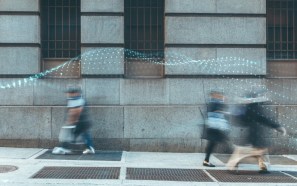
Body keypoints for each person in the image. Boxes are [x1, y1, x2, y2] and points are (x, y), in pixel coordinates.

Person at [226, 90, 286, 173]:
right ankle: (232, 165)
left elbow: (246, 120)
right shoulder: (254, 107)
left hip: (254, 133)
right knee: (252, 151)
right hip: (254, 134)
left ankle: (263, 167)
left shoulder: (251, 107)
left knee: (260, 151)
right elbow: (263, 119)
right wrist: (277, 126)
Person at [53, 85, 95, 155]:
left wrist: (70, 122)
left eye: (70, 92)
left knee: (68, 135)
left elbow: (75, 112)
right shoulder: (77, 99)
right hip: (83, 123)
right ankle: (90, 148)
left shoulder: (76, 100)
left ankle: (65, 148)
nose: (68, 94)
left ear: (75, 93)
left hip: (80, 123)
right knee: (82, 134)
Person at [203, 90, 230, 167]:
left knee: (215, 143)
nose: (219, 95)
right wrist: (223, 110)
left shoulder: (214, 102)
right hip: (214, 127)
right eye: (217, 94)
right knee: (215, 143)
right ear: (214, 95)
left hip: (215, 127)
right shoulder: (214, 103)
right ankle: (206, 160)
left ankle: (206, 160)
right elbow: (216, 111)